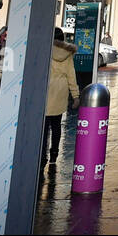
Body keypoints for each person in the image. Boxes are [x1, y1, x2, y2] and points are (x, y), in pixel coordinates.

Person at [43, 29, 79, 166]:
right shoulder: (67, 54)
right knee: (56, 125)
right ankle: (53, 155)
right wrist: (75, 95)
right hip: (60, 90)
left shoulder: (45, 49)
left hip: (46, 88)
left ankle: (42, 155)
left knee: (44, 126)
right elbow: (71, 75)